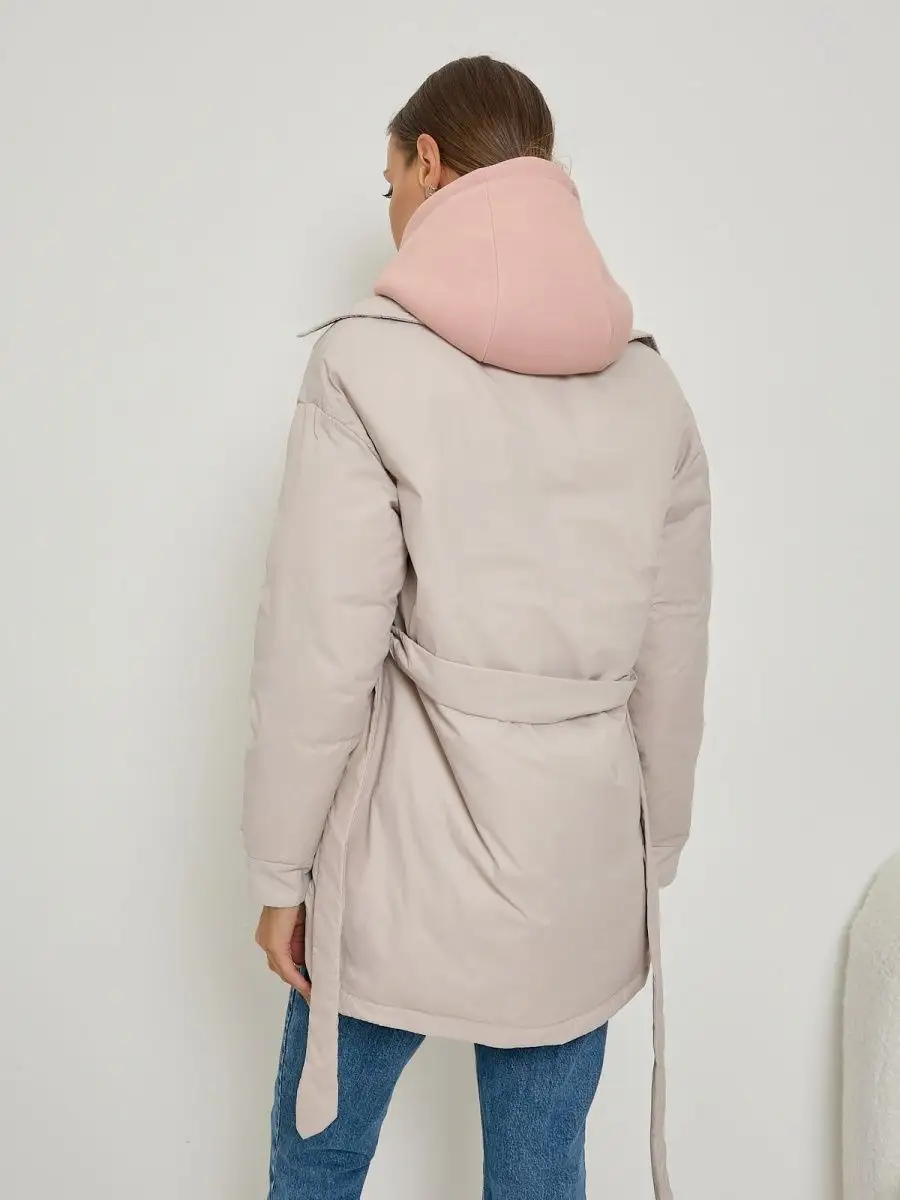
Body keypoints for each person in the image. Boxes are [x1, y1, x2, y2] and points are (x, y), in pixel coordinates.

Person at [242, 55, 711, 1200]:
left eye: (390, 184)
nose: (393, 212)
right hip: (578, 870)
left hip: (396, 865)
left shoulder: (364, 363)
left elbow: (319, 651)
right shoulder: (652, 393)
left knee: (318, 1162)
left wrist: (281, 870)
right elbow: (674, 654)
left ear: (429, 164)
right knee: (543, 1176)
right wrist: (647, 859)